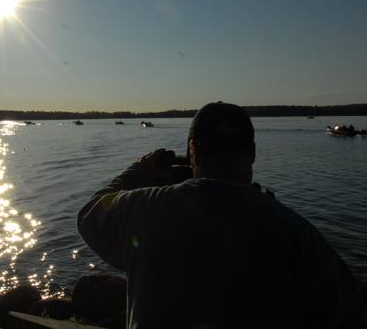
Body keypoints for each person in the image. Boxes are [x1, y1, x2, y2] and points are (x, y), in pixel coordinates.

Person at [78, 102, 365, 329]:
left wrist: (138, 172)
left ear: (193, 150)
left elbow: (90, 214)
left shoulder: (143, 209)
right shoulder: (296, 232)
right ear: (252, 152)